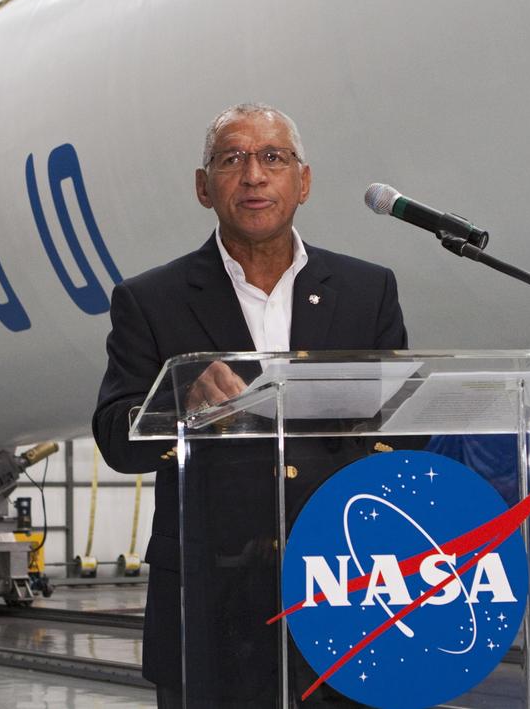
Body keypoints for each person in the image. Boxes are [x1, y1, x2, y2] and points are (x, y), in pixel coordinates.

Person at [92, 104, 407, 706]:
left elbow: (400, 425)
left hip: (348, 589)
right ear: (203, 187)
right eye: (232, 159)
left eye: (273, 157)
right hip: (210, 601)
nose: (254, 175)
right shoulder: (150, 299)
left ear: (304, 182)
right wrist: (182, 403)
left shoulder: (369, 290)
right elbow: (115, 436)